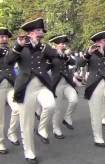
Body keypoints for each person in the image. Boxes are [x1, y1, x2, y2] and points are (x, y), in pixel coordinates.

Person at [6, 17, 57, 164]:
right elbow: (8, 61)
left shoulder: (44, 47)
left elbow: (55, 57)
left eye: (42, 31)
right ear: (30, 33)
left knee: (50, 104)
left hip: (42, 85)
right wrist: (17, 46)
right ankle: (30, 153)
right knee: (26, 123)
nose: (41, 34)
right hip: (25, 88)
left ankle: (42, 130)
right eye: (39, 31)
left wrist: (56, 57)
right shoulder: (21, 46)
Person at [49, 35, 78, 139]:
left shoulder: (65, 55)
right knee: (57, 109)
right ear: (56, 45)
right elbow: (46, 66)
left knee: (74, 100)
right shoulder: (51, 55)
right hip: (56, 84)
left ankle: (67, 118)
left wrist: (66, 56)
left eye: (65, 44)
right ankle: (56, 129)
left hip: (67, 83)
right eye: (62, 43)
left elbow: (74, 62)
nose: (64, 45)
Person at [0, 27, 17, 154]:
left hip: (11, 85)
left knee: (18, 109)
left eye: (6, 37)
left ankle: (12, 132)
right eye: (1, 37)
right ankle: (0, 142)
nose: (4, 39)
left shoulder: (12, 51)